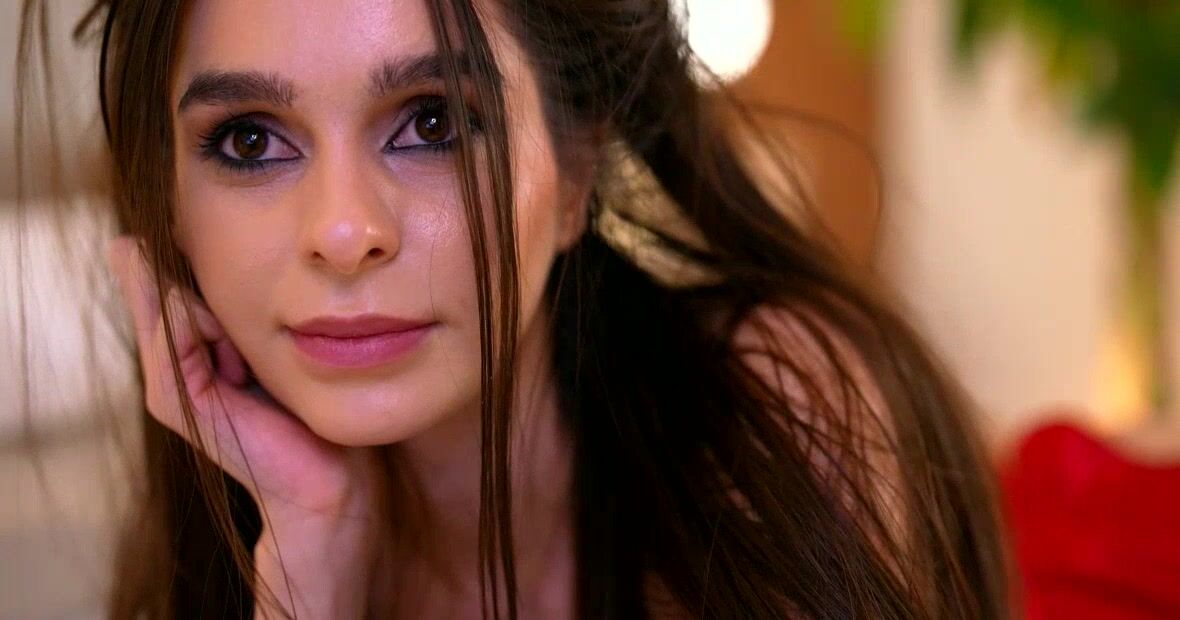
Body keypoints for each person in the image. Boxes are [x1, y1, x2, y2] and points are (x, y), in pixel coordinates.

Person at [16, 0, 1008, 617]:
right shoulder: (231, 546)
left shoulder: (772, 400)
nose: (343, 231)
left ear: (577, 168)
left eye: (433, 122)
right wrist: (311, 575)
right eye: (247, 141)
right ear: (169, 203)